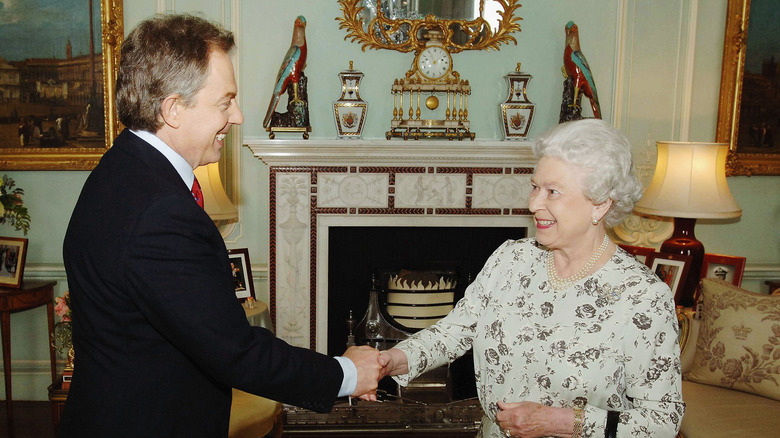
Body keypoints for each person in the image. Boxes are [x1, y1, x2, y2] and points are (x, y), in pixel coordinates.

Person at [61, 14, 384, 438]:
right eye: (225, 101)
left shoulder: (120, 170)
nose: (238, 116)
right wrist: (346, 373)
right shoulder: (159, 212)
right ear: (174, 109)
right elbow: (234, 351)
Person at [378, 119, 685, 437]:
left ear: (601, 204)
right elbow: (451, 335)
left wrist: (559, 421)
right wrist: (386, 361)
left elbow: (662, 420)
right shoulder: (511, 259)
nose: (534, 204)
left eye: (553, 192)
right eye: (535, 187)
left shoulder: (642, 296)